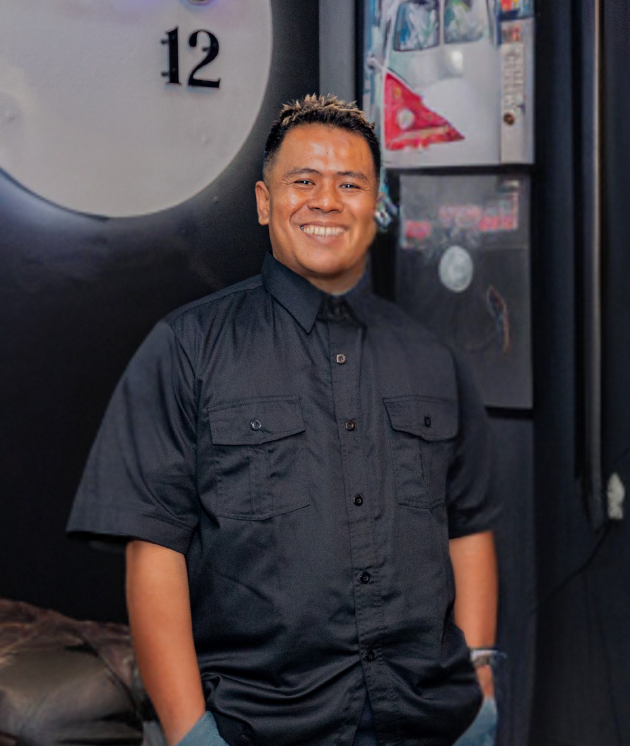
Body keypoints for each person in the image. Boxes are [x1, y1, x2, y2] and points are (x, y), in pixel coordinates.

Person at [67, 95, 499, 746]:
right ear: (265, 202)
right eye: (304, 181)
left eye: (350, 184)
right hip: (259, 727)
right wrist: (191, 735)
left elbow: (467, 528)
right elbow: (154, 553)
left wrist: (479, 685)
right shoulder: (186, 349)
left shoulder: (432, 357)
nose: (327, 201)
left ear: (375, 206)